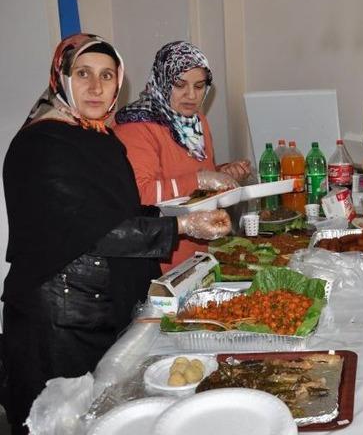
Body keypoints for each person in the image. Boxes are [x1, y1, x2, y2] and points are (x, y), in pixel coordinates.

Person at [2, 34, 231, 434]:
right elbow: (90, 230)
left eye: (106, 76)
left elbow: (123, 209)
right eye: (83, 74)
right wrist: (181, 225)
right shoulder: (42, 143)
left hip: (101, 307)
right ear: (62, 77)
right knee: (65, 422)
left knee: (106, 418)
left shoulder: (99, 137)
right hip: (61, 321)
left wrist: (177, 217)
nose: (96, 87)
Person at [114, 41, 250, 271]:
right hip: (160, 261)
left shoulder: (196, 122)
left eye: (199, 86)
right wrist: (201, 180)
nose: (191, 95)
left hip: (198, 252)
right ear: (162, 81)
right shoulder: (135, 127)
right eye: (179, 85)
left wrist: (221, 173)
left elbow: (190, 180)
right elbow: (141, 195)